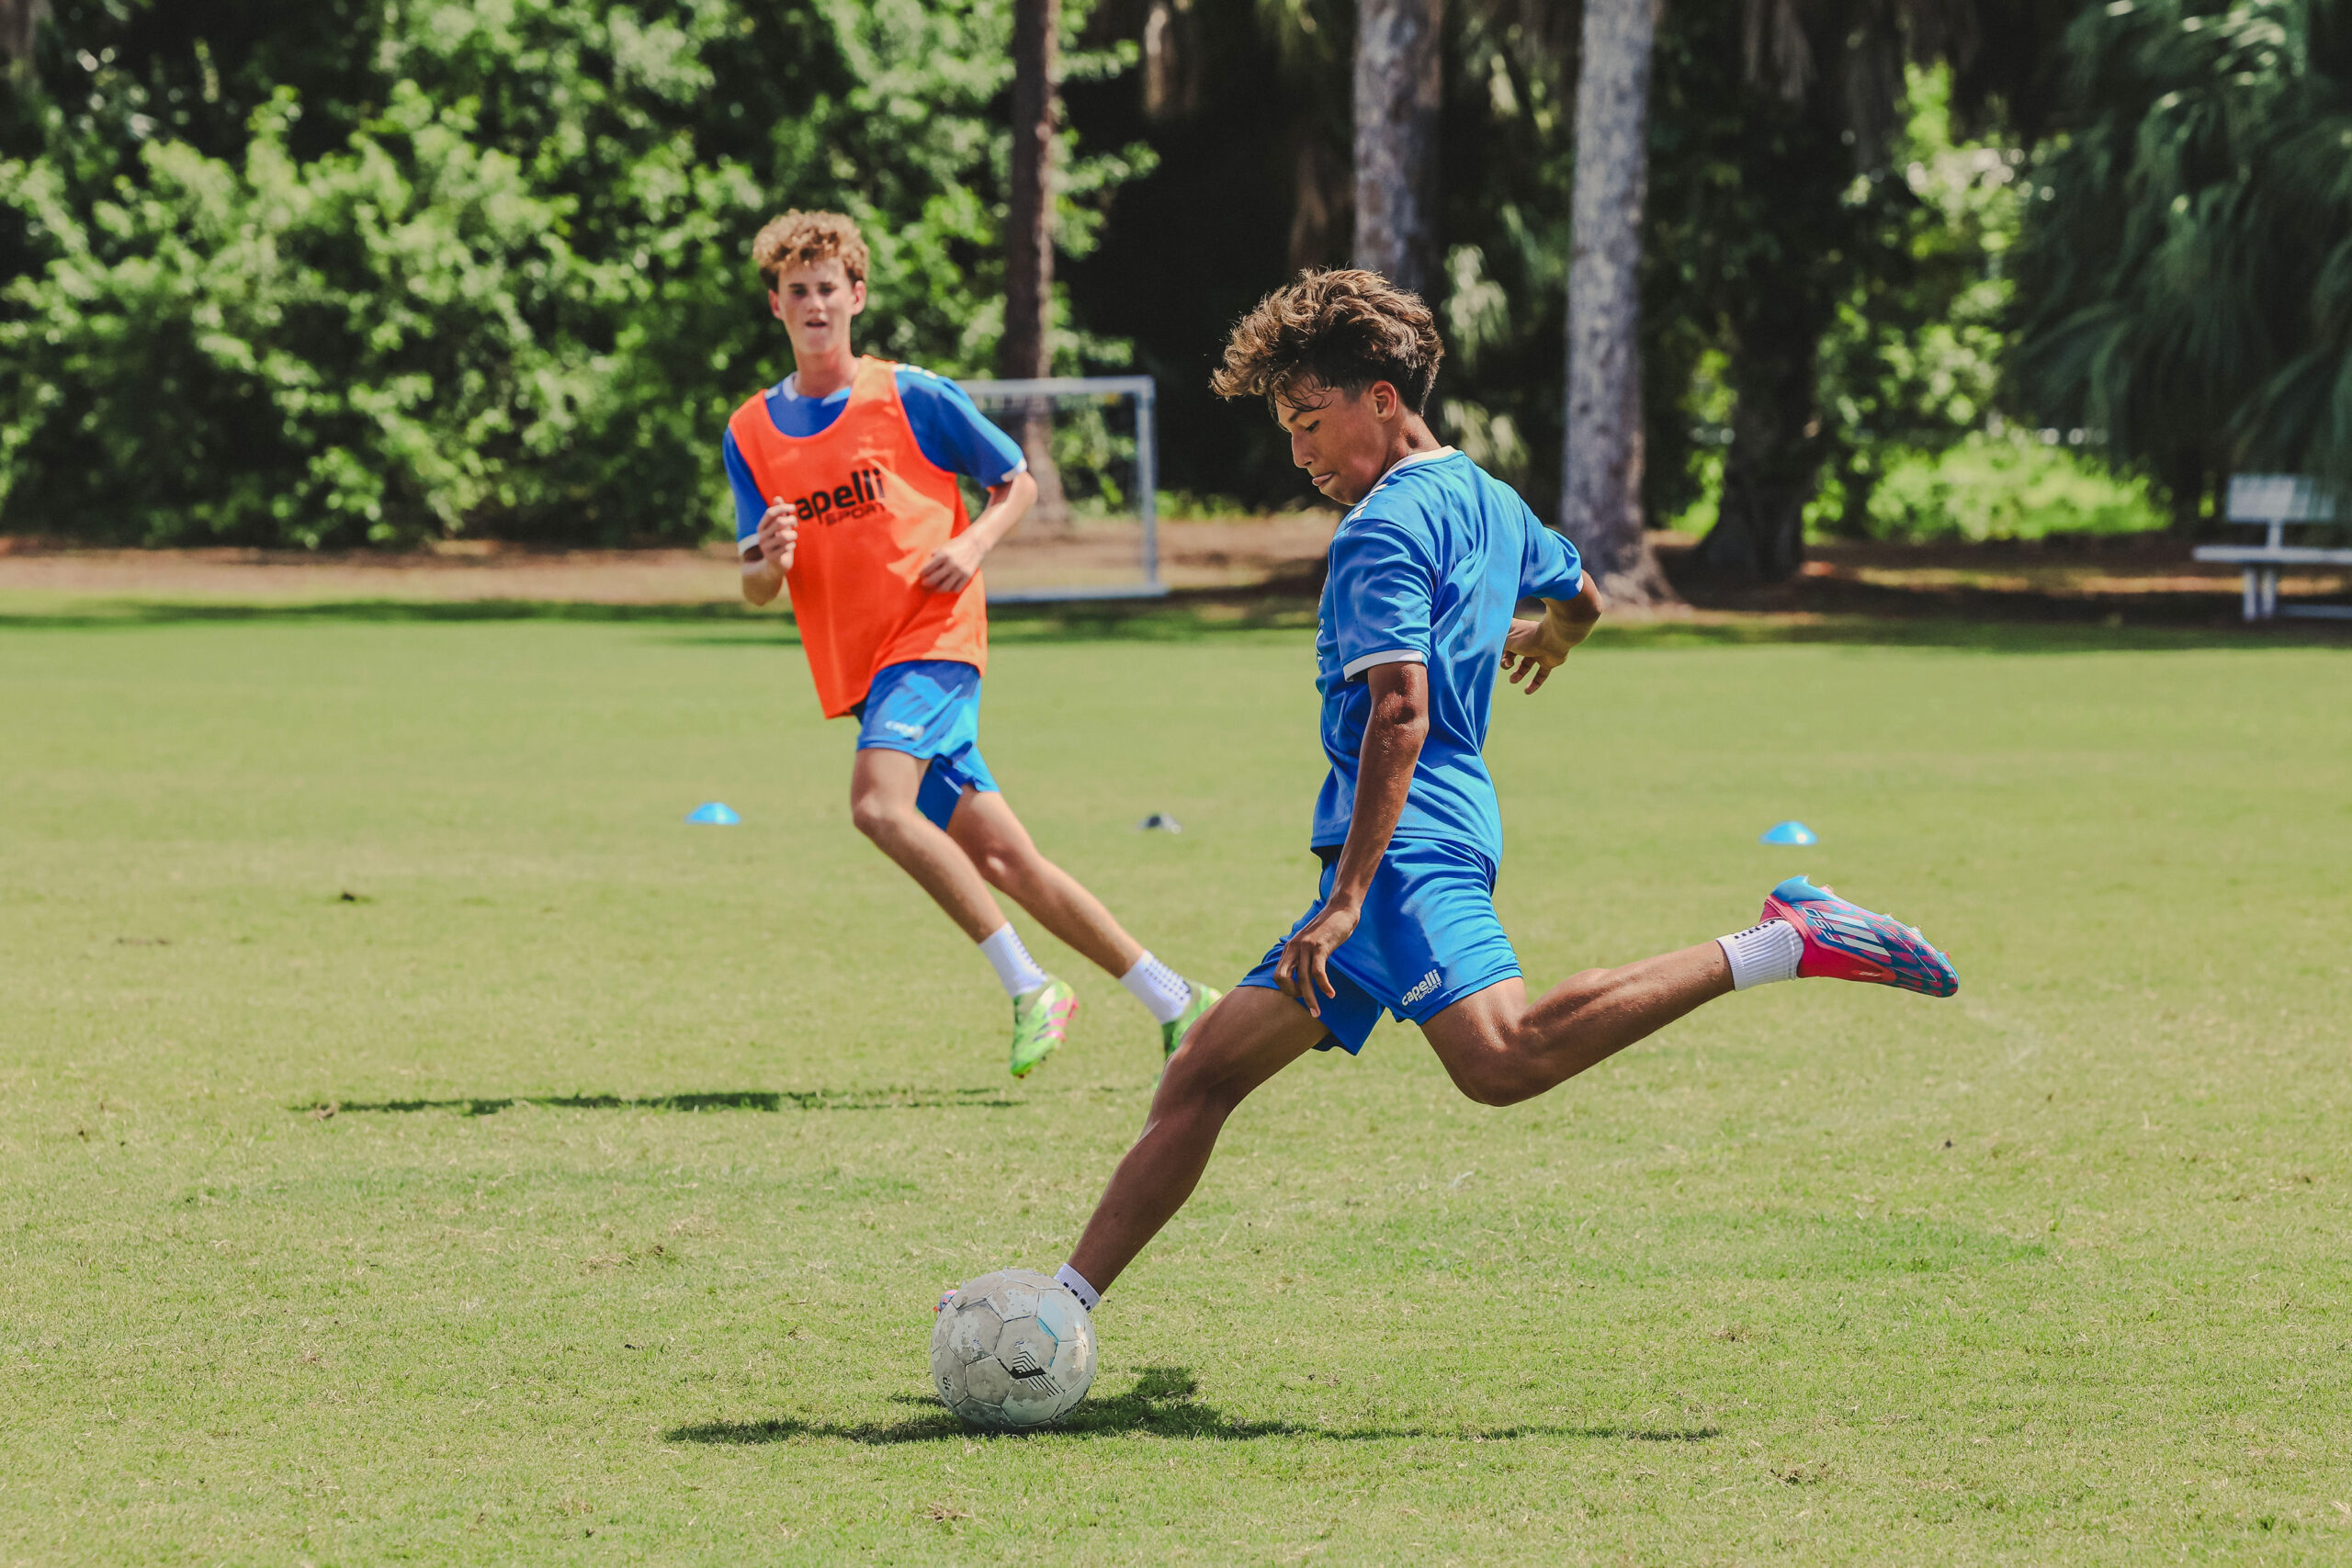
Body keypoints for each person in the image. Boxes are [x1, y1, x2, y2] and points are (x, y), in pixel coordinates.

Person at [1039, 269, 1958, 1318]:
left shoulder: (1379, 531)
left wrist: (1345, 899)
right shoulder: (1487, 496)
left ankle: (1784, 939)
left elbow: (1398, 714)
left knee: (1502, 1057)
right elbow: (1583, 594)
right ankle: (1057, 1307)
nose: (1296, 455)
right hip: (1431, 833)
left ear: (1380, 399)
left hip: (1400, 852)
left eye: (1306, 422)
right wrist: (1549, 638)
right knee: (1202, 1077)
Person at [727, 209, 1217, 1077]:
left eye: (827, 288)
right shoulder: (751, 433)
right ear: (775, 305)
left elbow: (1015, 480)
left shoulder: (908, 393)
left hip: (934, 638)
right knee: (1005, 858)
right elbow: (755, 586)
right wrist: (770, 559)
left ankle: (1030, 985)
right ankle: (1176, 998)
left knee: (879, 807)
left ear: (857, 296)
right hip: (867, 671)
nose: (813, 303)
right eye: (796, 290)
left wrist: (972, 544)